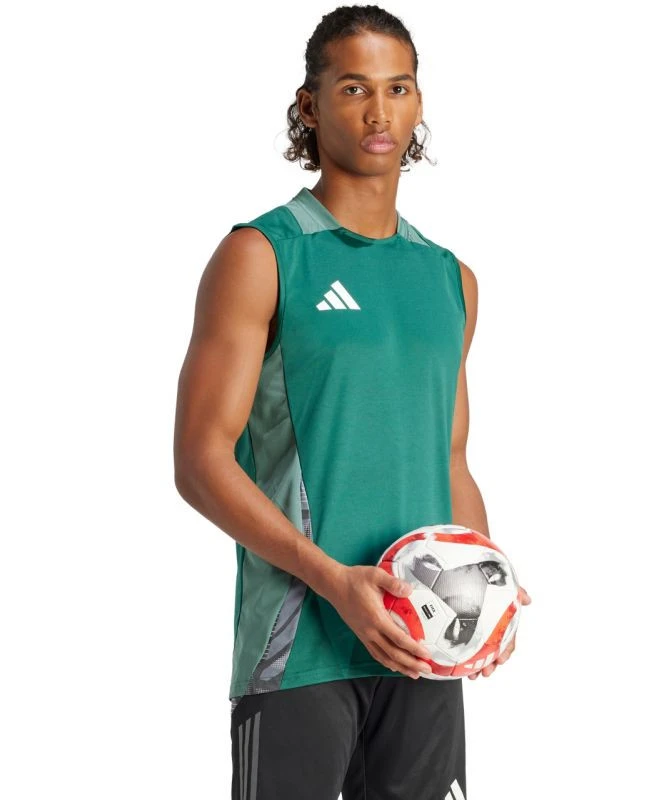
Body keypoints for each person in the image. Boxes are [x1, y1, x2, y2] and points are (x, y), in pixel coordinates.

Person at [174, 5, 531, 799]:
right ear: (310, 106)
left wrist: (489, 580)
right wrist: (335, 580)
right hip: (299, 652)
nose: (379, 112)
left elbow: (450, 459)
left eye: (398, 88)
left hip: (423, 647)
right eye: (353, 88)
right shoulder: (262, 255)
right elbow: (200, 461)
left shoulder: (450, 278)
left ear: (419, 101)